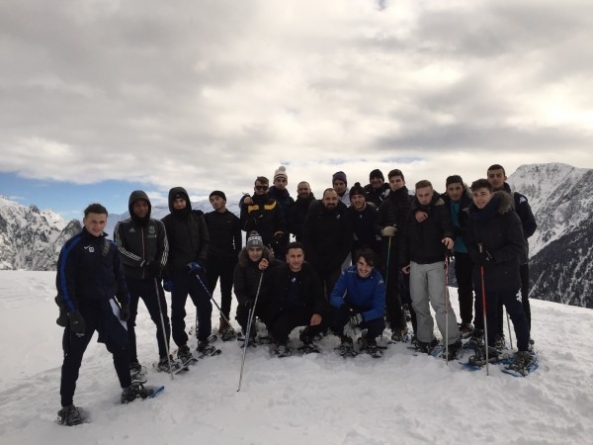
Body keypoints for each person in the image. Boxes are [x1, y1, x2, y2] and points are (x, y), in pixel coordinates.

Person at [55, 203, 142, 426]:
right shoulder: (72, 247)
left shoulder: (110, 247)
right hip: (82, 309)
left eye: (102, 221)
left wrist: (125, 303)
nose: (97, 226)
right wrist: (72, 313)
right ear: (84, 220)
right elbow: (65, 282)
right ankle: (67, 407)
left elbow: (120, 278)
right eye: (93, 221)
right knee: (73, 357)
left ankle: (127, 388)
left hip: (107, 306)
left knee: (122, 347)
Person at [465, 179, 534, 372]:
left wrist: (494, 257)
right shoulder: (473, 216)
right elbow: (469, 241)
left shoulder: (508, 215)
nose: (479, 199)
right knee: (488, 313)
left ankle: (524, 350)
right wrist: (476, 255)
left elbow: (518, 246)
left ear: (492, 194)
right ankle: (491, 347)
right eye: (476, 195)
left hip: (507, 274)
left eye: (483, 194)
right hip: (484, 274)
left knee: (516, 313)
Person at [114, 191, 175, 374]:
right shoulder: (122, 226)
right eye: (137, 205)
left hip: (152, 281)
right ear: (131, 207)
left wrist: (160, 266)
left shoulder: (157, 225)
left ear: (149, 206)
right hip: (129, 281)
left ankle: (164, 357)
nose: (141, 208)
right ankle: (132, 361)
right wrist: (142, 262)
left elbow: (164, 248)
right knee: (128, 321)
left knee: (162, 319)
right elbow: (119, 250)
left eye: (144, 205)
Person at [400, 180, 461, 360]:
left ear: (432, 192)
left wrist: (449, 238)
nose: (424, 198)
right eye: (420, 195)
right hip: (415, 263)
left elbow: (448, 227)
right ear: (416, 194)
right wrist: (403, 261)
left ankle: (452, 340)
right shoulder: (411, 211)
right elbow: (404, 237)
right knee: (418, 302)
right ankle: (425, 338)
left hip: (436, 261)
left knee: (440, 303)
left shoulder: (440, 207)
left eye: (427, 194)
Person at [162, 187, 215, 362]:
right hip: (178, 273)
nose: (179, 204)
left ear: (186, 201)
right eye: (175, 201)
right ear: (171, 203)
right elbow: (165, 251)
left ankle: (203, 339)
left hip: (196, 270)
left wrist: (200, 261)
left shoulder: (197, 218)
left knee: (204, 305)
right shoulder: (166, 223)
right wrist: (167, 276)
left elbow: (205, 241)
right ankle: (182, 346)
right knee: (178, 311)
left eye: (181, 201)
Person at [486, 164, 537, 346]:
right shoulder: (484, 200)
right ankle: (498, 335)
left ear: (505, 177)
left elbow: (530, 225)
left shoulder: (517, 199)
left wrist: (513, 240)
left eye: (498, 175)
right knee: (496, 299)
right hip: (495, 259)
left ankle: (525, 337)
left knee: (520, 298)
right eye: (491, 176)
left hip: (517, 258)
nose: (495, 178)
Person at [266, 242, 327, 356]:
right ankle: (281, 342)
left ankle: (308, 335)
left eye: (299, 256)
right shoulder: (278, 273)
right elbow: (269, 296)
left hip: (305, 311)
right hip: (285, 313)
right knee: (278, 330)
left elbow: (319, 296)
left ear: (303, 257)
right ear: (287, 258)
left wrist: (318, 312)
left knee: (325, 317)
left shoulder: (311, 272)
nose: (296, 260)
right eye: (292, 256)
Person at [329, 248, 386, 357]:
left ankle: (369, 338)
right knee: (336, 311)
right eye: (361, 264)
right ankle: (345, 339)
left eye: (368, 265)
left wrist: (362, 316)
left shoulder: (378, 279)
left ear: (373, 267)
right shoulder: (348, 272)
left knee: (379, 324)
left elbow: (379, 309)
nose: (364, 268)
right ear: (356, 262)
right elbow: (335, 296)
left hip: (367, 312)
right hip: (350, 308)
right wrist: (345, 307)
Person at [377, 169, 413, 341]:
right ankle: (397, 325)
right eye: (392, 181)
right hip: (390, 249)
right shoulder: (386, 204)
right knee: (391, 289)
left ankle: (419, 325)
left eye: (398, 180)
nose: (395, 183)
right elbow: (376, 225)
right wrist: (384, 230)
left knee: (412, 289)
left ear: (403, 181)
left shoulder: (411, 201)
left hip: (408, 249)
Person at [204, 190, 242, 341]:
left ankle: (224, 323)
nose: (214, 202)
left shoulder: (233, 219)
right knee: (207, 293)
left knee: (226, 293)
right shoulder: (207, 218)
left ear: (224, 200)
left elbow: (238, 242)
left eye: (217, 199)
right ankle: (204, 323)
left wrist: (237, 259)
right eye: (212, 200)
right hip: (211, 260)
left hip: (228, 261)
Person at [302, 188, 353, 298]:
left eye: (334, 198)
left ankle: (334, 314)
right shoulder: (314, 211)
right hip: (316, 260)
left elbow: (347, 240)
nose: (331, 201)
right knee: (316, 293)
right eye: (328, 199)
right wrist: (313, 259)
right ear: (323, 200)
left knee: (334, 293)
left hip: (334, 261)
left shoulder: (343, 212)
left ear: (338, 199)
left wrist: (337, 261)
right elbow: (306, 237)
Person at [233, 231, 283, 342]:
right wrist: (245, 301)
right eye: (252, 250)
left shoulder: (269, 261)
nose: (255, 253)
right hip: (249, 301)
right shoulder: (241, 266)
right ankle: (250, 331)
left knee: (277, 322)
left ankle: (272, 329)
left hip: (267, 301)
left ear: (262, 250)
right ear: (247, 251)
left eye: (258, 249)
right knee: (242, 313)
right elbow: (239, 290)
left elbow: (284, 267)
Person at [442, 175, 475, 337]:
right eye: (451, 189)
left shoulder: (471, 201)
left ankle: (482, 325)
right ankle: (467, 321)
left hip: (475, 250)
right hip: (460, 251)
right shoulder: (444, 202)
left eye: (457, 188)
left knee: (482, 289)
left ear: (463, 187)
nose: (455, 192)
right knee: (464, 288)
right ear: (446, 190)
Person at [240, 176, 286, 251]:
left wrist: (279, 234)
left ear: (268, 189)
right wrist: (255, 220)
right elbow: (243, 225)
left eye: (264, 188)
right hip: (253, 247)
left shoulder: (274, 204)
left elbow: (281, 223)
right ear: (254, 188)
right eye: (258, 187)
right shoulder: (248, 204)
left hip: (270, 246)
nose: (261, 190)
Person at [348, 182, 381, 258]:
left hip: (374, 250)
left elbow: (379, 228)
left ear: (365, 197)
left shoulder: (374, 211)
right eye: (354, 197)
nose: (357, 200)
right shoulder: (349, 213)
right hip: (357, 251)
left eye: (360, 197)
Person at [268, 166, 294, 259]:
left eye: (283, 181)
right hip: (268, 235)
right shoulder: (267, 196)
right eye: (278, 180)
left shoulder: (289, 199)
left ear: (286, 182)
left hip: (284, 236)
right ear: (274, 181)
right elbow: (252, 200)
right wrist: (245, 198)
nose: (281, 183)